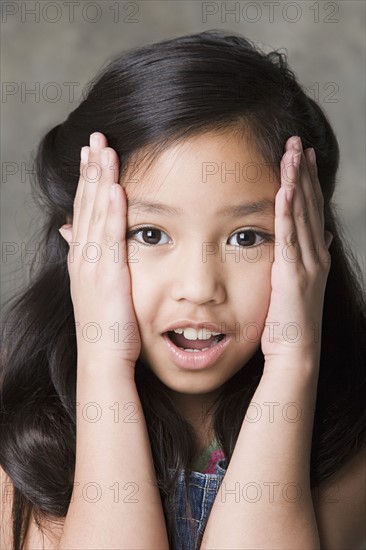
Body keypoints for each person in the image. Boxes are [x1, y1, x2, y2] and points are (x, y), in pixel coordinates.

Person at [1, 29, 365, 549]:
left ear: (310, 251)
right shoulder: (18, 416)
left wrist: (292, 363)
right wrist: (103, 359)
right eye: (149, 234)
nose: (199, 288)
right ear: (82, 241)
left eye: (246, 237)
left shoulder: (349, 428)